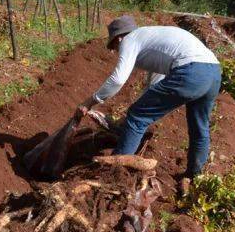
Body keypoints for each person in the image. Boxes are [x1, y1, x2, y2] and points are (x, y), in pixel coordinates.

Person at [76, 15, 221, 194]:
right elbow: (155, 85)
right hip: (213, 71)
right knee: (200, 128)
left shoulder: (130, 40)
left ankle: (114, 175)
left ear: (119, 37)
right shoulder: (151, 37)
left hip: (191, 71)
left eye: (114, 46)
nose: (116, 51)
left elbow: (118, 79)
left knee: (137, 116)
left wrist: (90, 102)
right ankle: (193, 177)